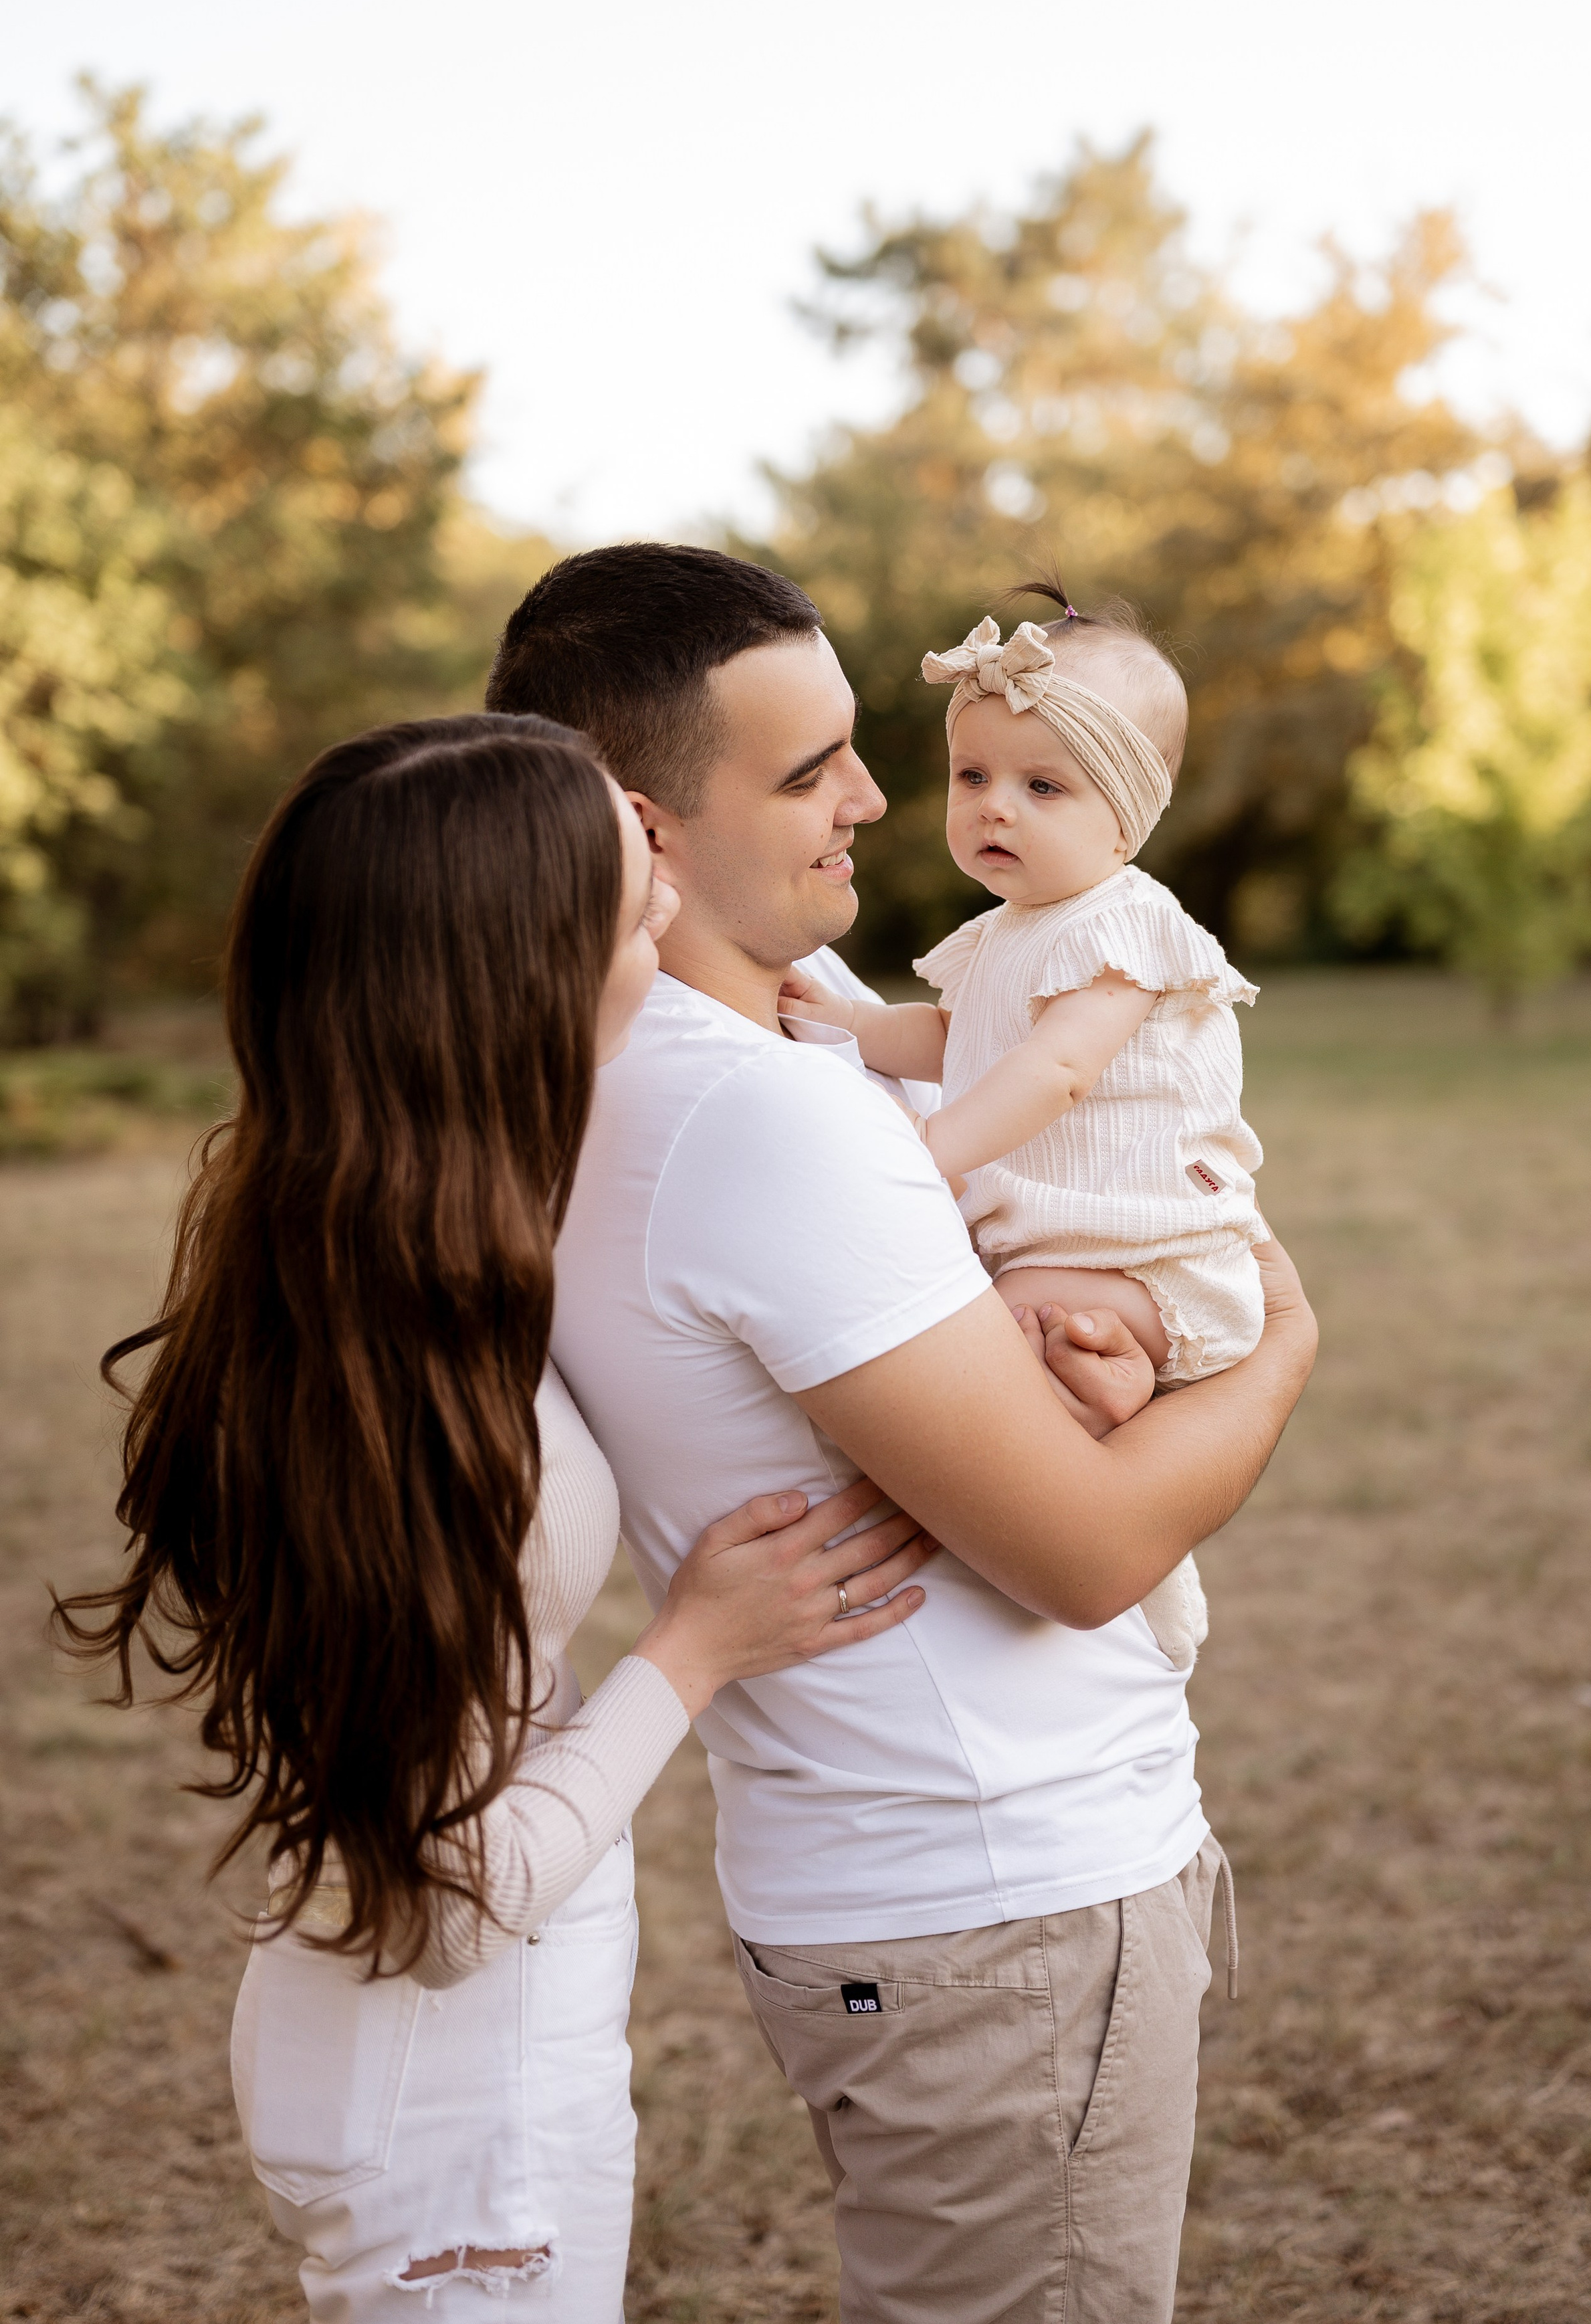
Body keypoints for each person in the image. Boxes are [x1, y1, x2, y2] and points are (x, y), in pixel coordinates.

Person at [486, 544, 1318, 2323]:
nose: (876, 800)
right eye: (807, 774)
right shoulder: (768, 1122)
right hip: (1000, 1899)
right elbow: (1088, 1551)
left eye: (867, 749)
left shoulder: (621, 1068)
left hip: (899, 1882)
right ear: (642, 827)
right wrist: (1281, 1351)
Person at [51, 712, 938, 2322]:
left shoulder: (389, 1240)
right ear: (514, 980)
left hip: (452, 2068)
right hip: (448, 2109)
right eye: (629, 904)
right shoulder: (375, 1364)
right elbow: (430, 1899)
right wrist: (693, 1651)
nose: (668, 913)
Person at [781, 584, 1267, 1672]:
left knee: (999, 1349)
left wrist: (927, 1158)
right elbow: (960, 1040)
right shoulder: (1005, 934)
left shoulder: (1128, 926)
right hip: (1069, 1250)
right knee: (1009, 1332)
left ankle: (1111, 1498)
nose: (994, 807)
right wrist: (855, 1024)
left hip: (1149, 1256)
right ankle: (1103, 1422)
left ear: (1129, 815)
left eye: (1042, 785)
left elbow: (1050, 1071)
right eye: (973, 777)